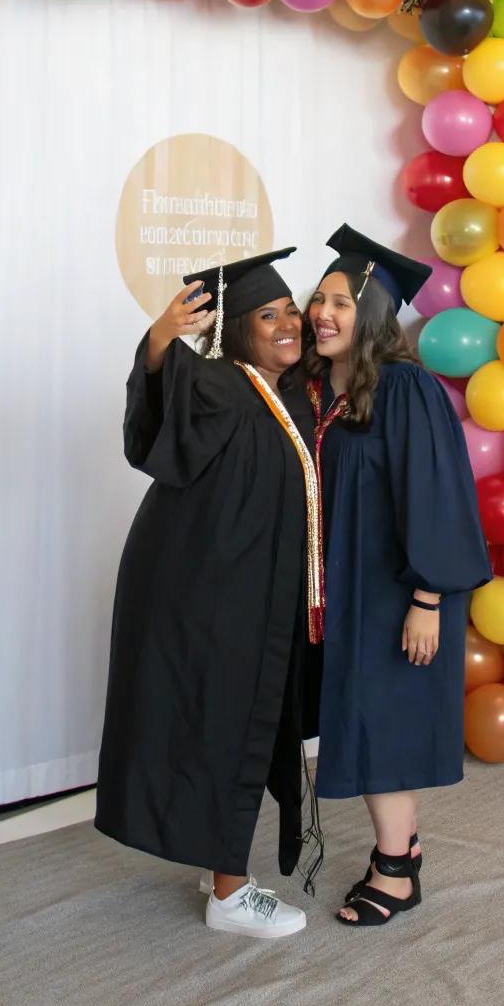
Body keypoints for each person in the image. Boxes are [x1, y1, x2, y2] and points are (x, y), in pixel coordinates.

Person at [95, 249, 323, 939]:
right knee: (227, 722)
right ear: (233, 333)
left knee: (225, 721)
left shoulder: (281, 395)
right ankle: (229, 892)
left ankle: (214, 854)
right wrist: (162, 340)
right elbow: (173, 389)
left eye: (290, 311)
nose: (287, 324)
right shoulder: (224, 385)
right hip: (205, 595)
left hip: (236, 588)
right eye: (267, 314)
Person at [302, 225, 491, 927]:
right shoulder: (328, 390)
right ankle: (403, 848)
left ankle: (395, 873)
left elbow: (438, 496)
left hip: (401, 589)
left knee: (387, 723)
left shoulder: (406, 390)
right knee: (365, 715)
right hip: (353, 588)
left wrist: (427, 597)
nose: (322, 313)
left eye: (341, 304)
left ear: (374, 314)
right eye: (319, 300)